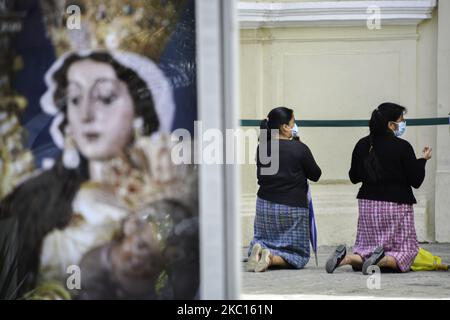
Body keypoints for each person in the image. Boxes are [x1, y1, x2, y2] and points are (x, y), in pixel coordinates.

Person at [0, 50, 199, 299]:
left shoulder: (168, 195)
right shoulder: (39, 197)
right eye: (74, 99)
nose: (86, 114)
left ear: (138, 110)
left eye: (105, 98)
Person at [326, 102, 432, 275]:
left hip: (368, 205)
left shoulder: (362, 144)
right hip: (396, 205)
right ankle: (381, 260)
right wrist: (423, 160)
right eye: (401, 120)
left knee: (366, 247)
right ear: (391, 125)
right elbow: (416, 180)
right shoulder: (402, 146)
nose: (403, 124)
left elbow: (354, 177)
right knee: (406, 250)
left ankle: (346, 259)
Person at [246, 107, 322, 272]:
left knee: (265, 239)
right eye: (293, 123)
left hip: (264, 207)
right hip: (292, 207)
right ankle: (271, 258)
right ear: (285, 127)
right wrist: (301, 148)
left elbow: (261, 177)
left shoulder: (263, 147)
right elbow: (316, 174)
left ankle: (259, 251)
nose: (294, 126)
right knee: (298, 255)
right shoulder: (299, 148)